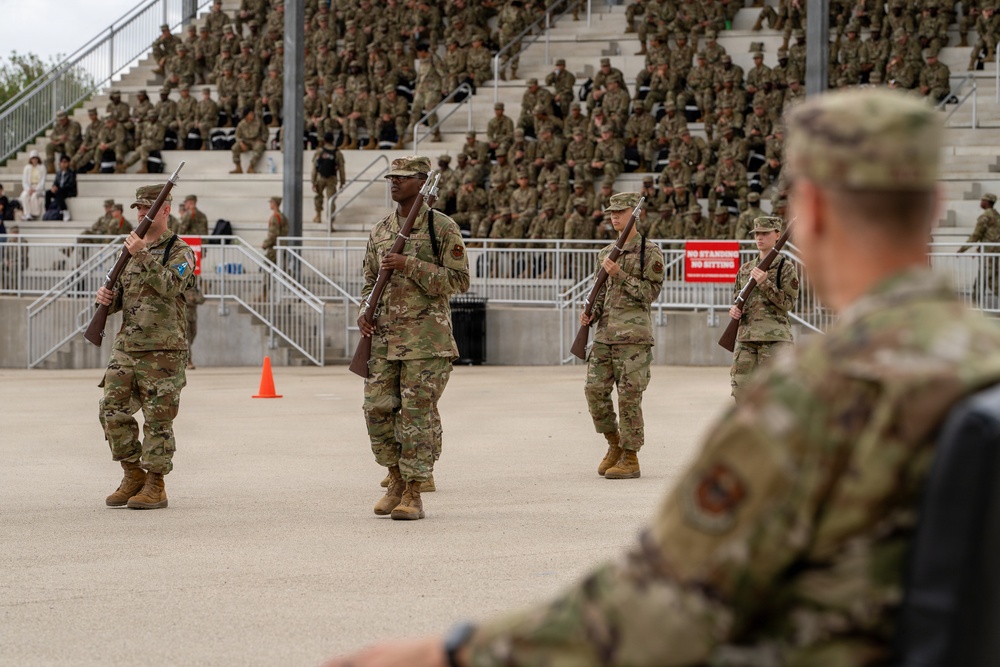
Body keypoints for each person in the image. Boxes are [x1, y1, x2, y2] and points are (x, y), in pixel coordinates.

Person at [325, 87, 1000, 667]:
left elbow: (658, 607)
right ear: (936, 205)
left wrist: (456, 651)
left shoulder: (813, 398)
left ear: (814, 212)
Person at [358, 156, 469, 521]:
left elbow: (459, 281)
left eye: (403, 178)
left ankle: (414, 490)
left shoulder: (442, 228)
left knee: (416, 415)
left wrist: (411, 265)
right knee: (376, 409)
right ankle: (393, 476)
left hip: (426, 340)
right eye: (392, 177)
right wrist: (364, 310)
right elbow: (368, 281)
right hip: (384, 339)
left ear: (422, 183)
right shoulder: (381, 230)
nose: (394, 182)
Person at [95, 184, 196, 511]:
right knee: (110, 410)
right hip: (127, 346)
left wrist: (140, 253)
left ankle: (156, 483)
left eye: (147, 208)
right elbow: (122, 296)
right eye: (138, 208)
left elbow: (170, 286)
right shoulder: (128, 250)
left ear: (165, 210)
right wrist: (105, 301)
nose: (140, 213)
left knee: (158, 419)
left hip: (164, 351)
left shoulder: (180, 251)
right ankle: (132, 473)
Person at [579, 192, 665, 479]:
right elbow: (601, 291)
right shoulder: (605, 253)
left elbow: (650, 294)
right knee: (594, 390)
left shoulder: (649, 252)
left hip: (634, 338)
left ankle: (631, 457)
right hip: (605, 335)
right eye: (612, 212)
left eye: (621, 211)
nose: (614, 216)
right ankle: (614, 443)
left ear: (635, 215)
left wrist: (620, 274)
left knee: (629, 397)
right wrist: (591, 312)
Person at [728, 215, 798, 403]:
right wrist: (735, 310)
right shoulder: (745, 269)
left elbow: (789, 304)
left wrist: (765, 283)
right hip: (746, 339)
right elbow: (738, 298)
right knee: (741, 392)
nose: (759, 238)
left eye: (765, 234)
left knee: (776, 397)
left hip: (775, 339)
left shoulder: (786, 267)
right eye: (757, 234)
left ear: (777, 235)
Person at [959, 192, 1000, 301]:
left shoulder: (985, 216)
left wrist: (962, 249)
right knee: (993, 282)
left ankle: (975, 308)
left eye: (982, 200)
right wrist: (979, 248)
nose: (981, 202)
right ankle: (976, 307)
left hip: (989, 255)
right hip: (995, 254)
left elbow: (976, 235)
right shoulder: (996, 216)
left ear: (987, 202)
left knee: (982, 282)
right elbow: (993, 235)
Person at [312, 133, 346, 228]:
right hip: (332, 178)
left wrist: (313, 181)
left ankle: (318, 215)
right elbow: (342, 168)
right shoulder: (337, 153)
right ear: (332, 140)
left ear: (324, 140)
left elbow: (314, 168)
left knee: (318, 197)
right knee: (331, 200)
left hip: (320, 178)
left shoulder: (319, 152)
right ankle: (330, 222)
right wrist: (342, 182)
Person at [19, 151, 47, 220]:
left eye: (35, 158)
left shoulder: (42, 167)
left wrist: (36, 189)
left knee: (34, 196)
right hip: (29, 187)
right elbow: (24, 181)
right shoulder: (27, 168)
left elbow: (42, 181)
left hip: (38, 188)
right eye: (33, 158)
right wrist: (28, 189)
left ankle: (34, 213)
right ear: (30, 159)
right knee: (24, 195)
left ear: (38, 159)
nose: (34, 160)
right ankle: (27, 213)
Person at [262, 196, 288, 264]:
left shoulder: (275, 217)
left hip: (275, 246)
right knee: (282, 267)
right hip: (282, 245)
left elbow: (273, 233)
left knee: (267, 265)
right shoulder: (282, 216)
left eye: (271, 202)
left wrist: (265, 244)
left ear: (275, 204)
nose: (270, 204)